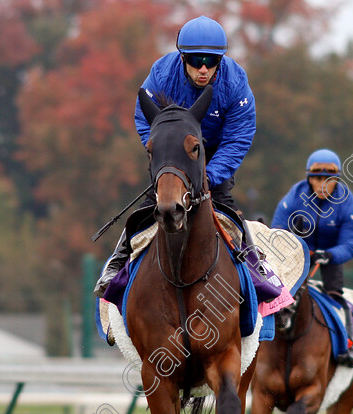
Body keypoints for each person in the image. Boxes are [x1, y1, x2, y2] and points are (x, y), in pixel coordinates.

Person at [94, 15, 256, 298]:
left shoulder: (236, 83)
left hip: (213, 157)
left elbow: (238, 138)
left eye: (211, 60)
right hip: (172, 154)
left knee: (229, 211)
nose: (203, 68)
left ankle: (256, 268)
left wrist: (208, 174)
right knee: (148, 208)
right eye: (195, 60)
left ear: (221, 59)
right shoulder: (161, 74)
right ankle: (117, 262)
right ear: (182, 57)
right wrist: (162, 152)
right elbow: (144, 118)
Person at [271, 149, 353, 367]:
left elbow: (350, 244)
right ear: (308, 179)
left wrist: (330, 254)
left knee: (336, 298)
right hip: (297, 254)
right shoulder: (294, 197)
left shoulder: (347, 204)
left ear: (337, 180)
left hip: (329, 256)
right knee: (276, 293)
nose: (323, 184)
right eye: (317, 178)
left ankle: (347, 345)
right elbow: (277, 232)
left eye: (329, 179)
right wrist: (294, 251)